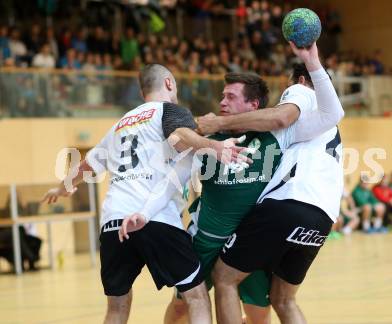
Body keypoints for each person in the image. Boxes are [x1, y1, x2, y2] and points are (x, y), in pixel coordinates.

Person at [121, 43, 344, 324]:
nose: (222, 102)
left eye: (230, 96)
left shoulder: (279, 136)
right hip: (206, 239)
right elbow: (172, 175)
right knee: (181, 306)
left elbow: (304, 117)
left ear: (253, 105)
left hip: (252, 233)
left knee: (259, 312)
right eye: (222, 96)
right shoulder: (205, 142)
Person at [41, 64, 246, 324]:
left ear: (141, 91)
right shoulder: (169, 111)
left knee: (116, 308)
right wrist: (214, 146)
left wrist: (62, 188)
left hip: (113, 223)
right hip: (155, 219)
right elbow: (181, 133)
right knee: (195, 296)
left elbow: (86, 165)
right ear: (169, 83)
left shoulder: (118, 126)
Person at [196, 42, 345, 324]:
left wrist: (217, 124)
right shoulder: (326, 127)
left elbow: (279, 116)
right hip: (323, 219)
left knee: (224, 278)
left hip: (288, 204)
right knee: (284, 299)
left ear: (300, 81)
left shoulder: (302, 91)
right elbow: (333, 113)